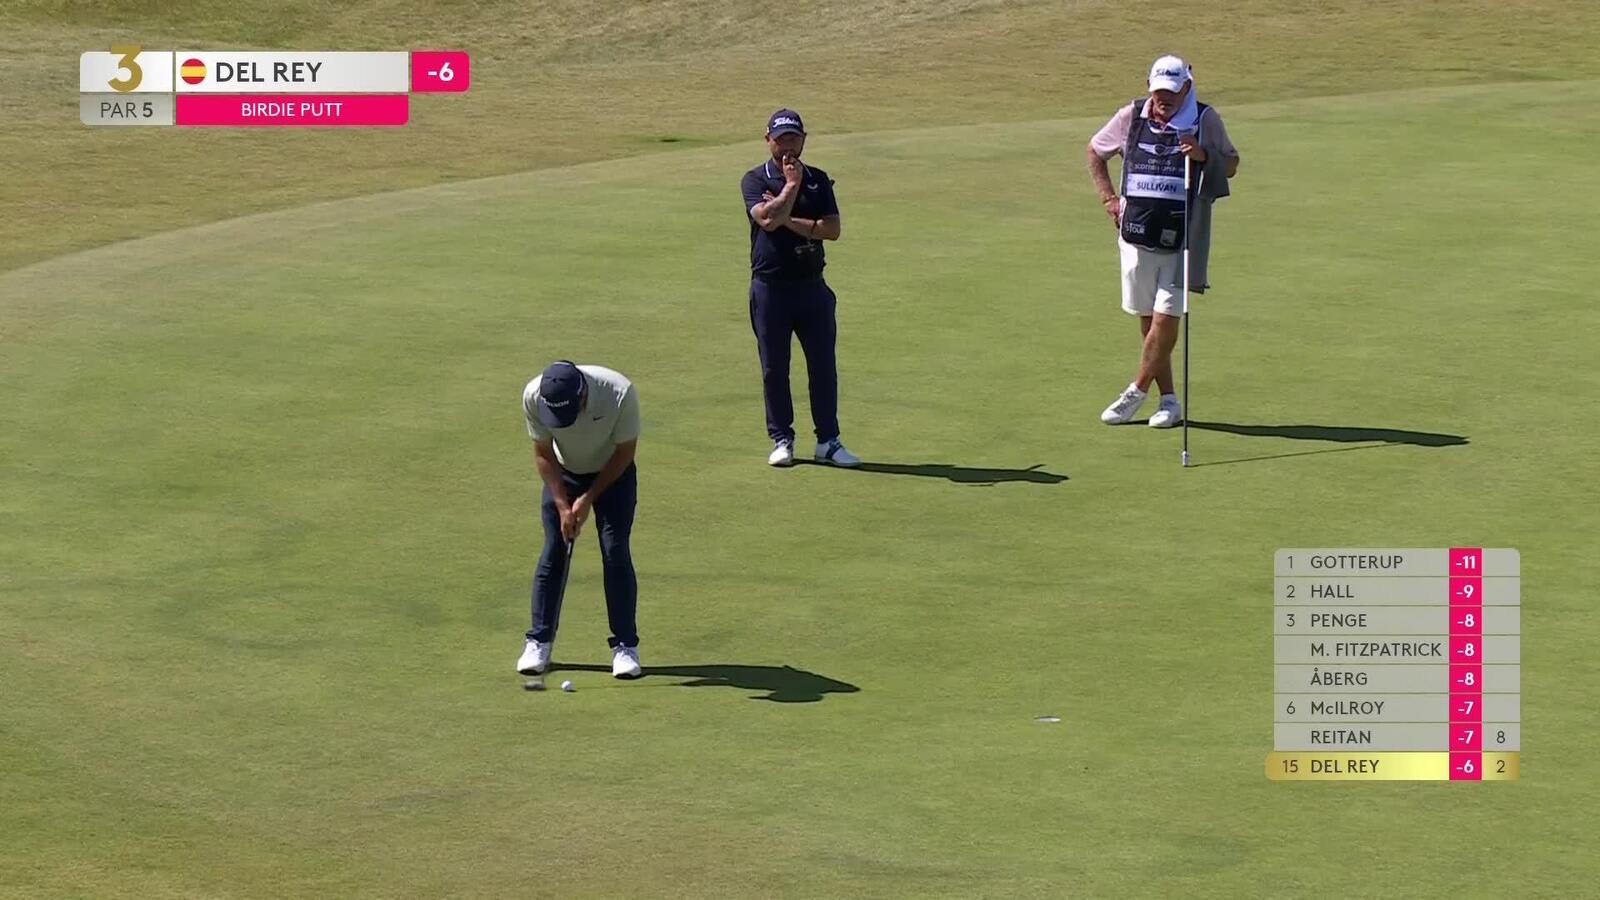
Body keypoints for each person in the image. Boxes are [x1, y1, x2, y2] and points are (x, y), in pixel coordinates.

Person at [1086, 55, 1240, 427]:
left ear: (1186, 87)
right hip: (1136, 237)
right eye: (1158, 92)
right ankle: (1169, 401)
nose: (1163, 100)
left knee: (1166, 316)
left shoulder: (1204, 119)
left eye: (1171, 93)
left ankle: (1136, 391)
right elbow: (1095, 151)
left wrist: (1202, 155)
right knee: (1148, 322)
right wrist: (1109, 200)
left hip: (1183, 239)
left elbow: (1232, 163)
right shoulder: (1132, 115)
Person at [741, 108, 862, 468]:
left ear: (804, 140)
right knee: (774, 368)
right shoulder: (752, 180)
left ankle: (828, 441)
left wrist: (788, 219)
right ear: (768, 142)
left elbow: (832, 229)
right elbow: (764, 218)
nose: (787, 148)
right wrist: (791, 188)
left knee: (823, 366)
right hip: (770, 289)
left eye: (793, 138)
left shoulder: (819, 179)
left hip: (812, 288)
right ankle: (782, 439)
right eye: (780, 140)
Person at [516, 361, 644, 679]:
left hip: (613, 475)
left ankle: (625, 646)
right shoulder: (534, 395)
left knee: (615, 551)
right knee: (553, 550)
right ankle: (539, 641)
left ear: (582, 394)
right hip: (565, 473)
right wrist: (563, 505)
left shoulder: (619, 393)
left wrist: (588, 499)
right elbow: (543, 454)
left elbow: (625, 453)